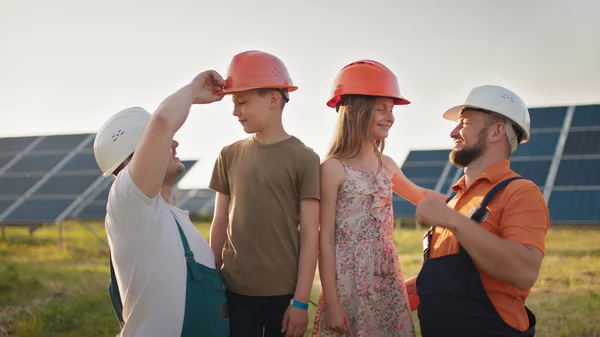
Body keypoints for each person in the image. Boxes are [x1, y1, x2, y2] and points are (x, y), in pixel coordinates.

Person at [93, 70, 230, 337]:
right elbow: (164, 120)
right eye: (164, 140)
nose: (175, 142)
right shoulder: (128, 201)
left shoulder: (172, 217)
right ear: (138, 155)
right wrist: (193, 89)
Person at [312, 59, 444, 337]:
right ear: (355, 111)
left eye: (392, 109)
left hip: (386, 280)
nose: (391, 117)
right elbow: (324, 240)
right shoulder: (333, 169)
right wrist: (333, 303)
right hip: (347, 285)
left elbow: (422, 197)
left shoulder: (388, 166)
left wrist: (468, 200)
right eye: (381, 108)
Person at [409, 85, 550, 336]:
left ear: (496, 132)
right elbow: (442, 282)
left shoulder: (520, 192)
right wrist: (388, 293)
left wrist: (454, 221)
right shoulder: (454, 200)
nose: (453, 132)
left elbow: (524, 271)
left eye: (465, 122)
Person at [208, 50, 321, 337]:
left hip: (283, 297)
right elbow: (220, 223)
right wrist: (212, 281)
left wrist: (300, 301)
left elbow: (310, 233)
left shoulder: (305, 158)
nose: (235, 112)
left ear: (273, 99)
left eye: (242, 102)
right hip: (234, 292)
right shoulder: (228, 155)